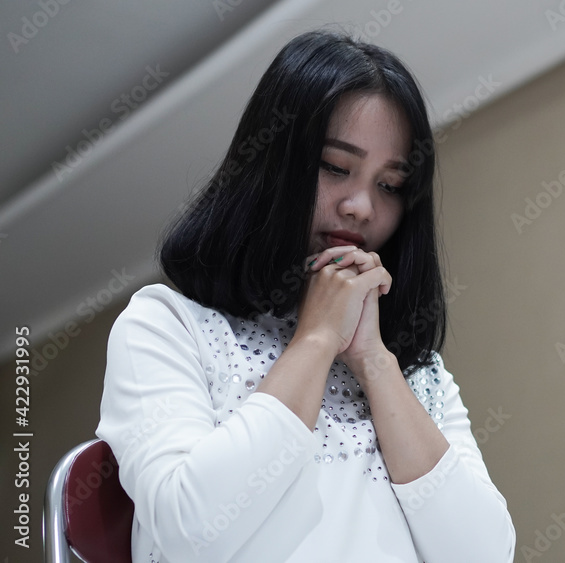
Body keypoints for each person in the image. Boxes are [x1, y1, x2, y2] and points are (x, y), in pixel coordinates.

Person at [95, 30, 515, 562]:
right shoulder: (167, 326)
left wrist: (373, 360)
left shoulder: (419, 375)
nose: (361, 206)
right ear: (272, 164)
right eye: (336, 167)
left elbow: (484, 555)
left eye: (390, 185)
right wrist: (316, 340)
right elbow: (191, 534)